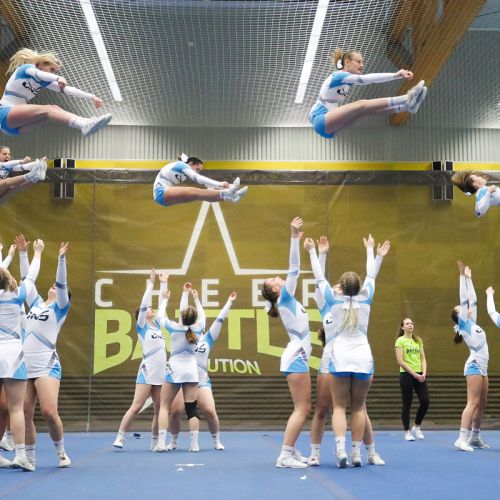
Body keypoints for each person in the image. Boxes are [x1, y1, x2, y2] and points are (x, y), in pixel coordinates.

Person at [304, 233, 390, 468]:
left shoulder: (334, 301)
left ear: (340, 288)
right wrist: (373, 253)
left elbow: (319, 277)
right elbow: (371, 275)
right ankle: (353, 454)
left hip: (340, 357)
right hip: (358, 356)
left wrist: (313, 253)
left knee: (342, 407)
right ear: (358, 288)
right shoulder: (363, 300)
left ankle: (345, 450)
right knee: (355, 407)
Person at [262, 217, 311, 469]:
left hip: (297, 356)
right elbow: (294, 268)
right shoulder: (285, 298)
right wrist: (293, 237)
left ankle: (290, 450)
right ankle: (285, 455)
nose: (277, 277)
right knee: (302, 409)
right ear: (275, 290)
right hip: (296, 357)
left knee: (302, 408)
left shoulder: (286, 300)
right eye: (274, 280)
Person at [21, 240, 72, 468]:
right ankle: (29, 457)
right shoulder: (35, 304)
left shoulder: (59, 308)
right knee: (24, 413)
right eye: (51, 285)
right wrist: (27, 253)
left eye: (57, 287)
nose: (54, 286)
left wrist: (61, 259)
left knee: (49, 412)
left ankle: (61, 452)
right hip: (25, 365)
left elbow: (62, 283)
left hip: (47, 365)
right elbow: (27, 281)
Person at [166, 290, 236, 452]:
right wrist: (185, 294)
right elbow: (183, 315)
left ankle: (216, 440)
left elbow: (219, 320)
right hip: (182, 379)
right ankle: (173, 441)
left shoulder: (208, 338)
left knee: (210, 411)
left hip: (201, 380)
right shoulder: (183, 333)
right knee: (175, 412)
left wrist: (229, 302)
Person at [309, 49, 427, 139]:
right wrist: (396, 75)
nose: (362, 65)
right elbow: (367, 79)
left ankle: (406, 107)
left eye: (362, 62)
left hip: (328, 127)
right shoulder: (339, 75)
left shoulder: (347, 80)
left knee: (364, 112)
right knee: (361, 104)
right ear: (347, 62)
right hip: (321, 119)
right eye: (358, 61)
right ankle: (406, 98)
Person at [1, 48, 112, 137]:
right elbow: (39, 74)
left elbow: (67, 90)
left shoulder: (44, 81)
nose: (53, 73)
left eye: (55, 72)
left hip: (15, 128)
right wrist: (58, 77)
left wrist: (92, 97)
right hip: (5, 113)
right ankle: (84, 124)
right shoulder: (26, 68)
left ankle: (84, 122)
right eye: (52, 69)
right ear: (41, 64)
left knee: (53, 110)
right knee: (49, 109)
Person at [113, 270, 167, 452]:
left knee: (159, 408)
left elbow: (163, 303)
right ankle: (120, 436)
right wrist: (151, 283)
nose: (152, 309)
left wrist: (163, 283)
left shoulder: (157, 325)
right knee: (136, 406)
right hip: (147, 370)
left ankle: (155, 441)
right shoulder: (141, 326)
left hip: (161, 371)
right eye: (149, 309)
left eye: (152, 309)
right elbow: (144, 305)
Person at [0, 248, 39, 471]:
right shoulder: (16, 297)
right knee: (16, 408)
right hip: (12, 355)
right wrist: (36, 253)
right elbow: (30, 276)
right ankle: (21, 455)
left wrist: (6, 257)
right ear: (8, 280)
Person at [154, 280, 204, 452]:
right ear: (194, 319)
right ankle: (194, 445)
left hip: (175, 369)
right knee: (191, 409)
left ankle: (161, 443)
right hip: (191, 370)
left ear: (181, 317)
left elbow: (160, 316)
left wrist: (165, 299)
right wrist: (195, 298)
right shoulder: (199, 328)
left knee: (164, 406)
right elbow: (201, 316)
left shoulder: (174, 327)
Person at [451, 261, 489, 451]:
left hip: (483, 367)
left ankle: (475, 436)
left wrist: (469, 278)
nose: (465, 306)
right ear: (460, 317)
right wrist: (461, 277)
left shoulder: (472, 322)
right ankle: (462, 438)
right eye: (461, 308)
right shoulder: (464, 325)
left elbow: (472, 298)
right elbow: (464, 297)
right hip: (474, 365)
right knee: (472, 402)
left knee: (482, 403)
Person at [153, 154, 248, 206]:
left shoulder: (184, 171)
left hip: (163, 199)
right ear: (191, 164)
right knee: (194, 191)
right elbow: (198, 179)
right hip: (160, 191)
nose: (198, 172)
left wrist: (228, 186)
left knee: (199, 195)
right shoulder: (182, 165)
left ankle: (230, 196)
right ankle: (229, 193)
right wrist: (220, 184)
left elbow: (207, 185)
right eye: (197, 169)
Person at [395, 318, 429, 441]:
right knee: (407, 403)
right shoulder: (400, 340)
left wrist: (423, 372)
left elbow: (423, 358)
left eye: (411, 323)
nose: (410, 325)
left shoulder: (418, 340)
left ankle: (417, 426)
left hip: (419, 375)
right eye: (407, 324)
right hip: (406, 375)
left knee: (425, 401)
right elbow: (400, 361)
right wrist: (414, 374)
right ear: (402, 327)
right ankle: (407, 431)